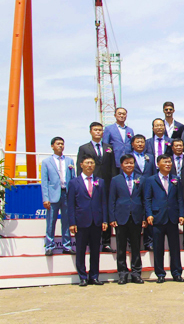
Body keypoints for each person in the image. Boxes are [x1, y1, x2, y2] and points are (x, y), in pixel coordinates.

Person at [67, 154, 108, 286]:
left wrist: (105, 220)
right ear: (81, 165)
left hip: (96, 221)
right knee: (80, 251)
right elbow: (71, 204)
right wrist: (72, 222)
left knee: (95, 251)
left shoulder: (100, 181)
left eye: (92, 163)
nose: (89, 165)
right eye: (87, 163)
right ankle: (82, 277)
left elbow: (103, 202)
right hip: (81, 221)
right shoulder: (74, 182)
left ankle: (94, 276)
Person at [144, 154, 184, 283]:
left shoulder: (175, 179)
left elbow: (179, 198)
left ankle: (176, 272)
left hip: (172, 218)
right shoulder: (151, 180)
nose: (168, 164)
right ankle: (160, 274)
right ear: (158, 164)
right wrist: (149, 214)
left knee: (175, 247)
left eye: (169, 162)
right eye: (165, 162)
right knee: (158, 248)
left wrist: (181, 214)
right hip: (157, 218)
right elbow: (147, 199)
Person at [77, 122, 116, 252]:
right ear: (90, 132)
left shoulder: (108, 147)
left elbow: (112, 167)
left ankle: (106, 242)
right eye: (95, 130)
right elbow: (79, 167)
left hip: (106, 184)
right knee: (91, 210)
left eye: (100, 130)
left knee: (106, 211)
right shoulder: (84, 148)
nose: (98, 132)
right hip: (90, 183)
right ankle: (91, 241)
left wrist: (113, 183)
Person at [109, 154, 146, 284]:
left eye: (131, 163)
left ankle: (136, 273)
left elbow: (144, 199)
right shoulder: (116, 180)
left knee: (136, 246)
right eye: (126, 163)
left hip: (136, 217)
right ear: (121, 165)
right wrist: (112, 217)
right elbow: (112, 200)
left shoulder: (140, 179)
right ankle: (123, 274)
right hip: (121, 217)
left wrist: (144, 217)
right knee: (121, 247)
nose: (129, 165)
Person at [41, 137, 75, 255]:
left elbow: (73, 179)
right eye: (58, 144)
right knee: (51, 221)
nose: (60, 146)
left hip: (66, 193)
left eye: (62, 144)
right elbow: (44, 182)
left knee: (66, 221)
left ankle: (67, 246)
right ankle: (49, 246)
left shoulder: (69, 161)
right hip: (53, 195)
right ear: (52, 146)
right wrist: (46, 198)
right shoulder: (46, 162)